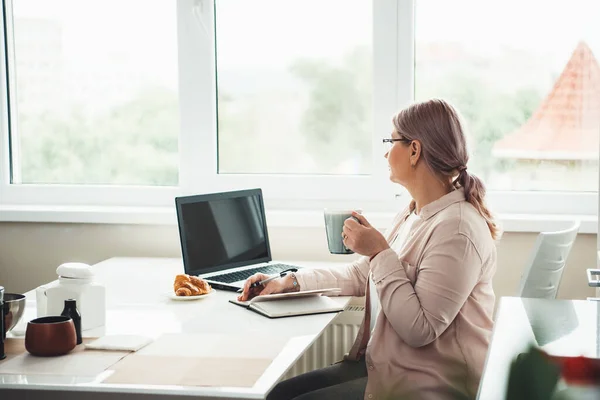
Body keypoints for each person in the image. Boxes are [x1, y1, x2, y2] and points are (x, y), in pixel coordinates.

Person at [238, 99, 499, 400]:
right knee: (278, 394)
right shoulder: (414, 213)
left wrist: (379, 251)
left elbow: (420, 329)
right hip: (388, 368)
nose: (386, 152)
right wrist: (289, 282)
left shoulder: (458, 229)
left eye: (392, 141)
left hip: (428, 385)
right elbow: (361, 275)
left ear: (414, 150)